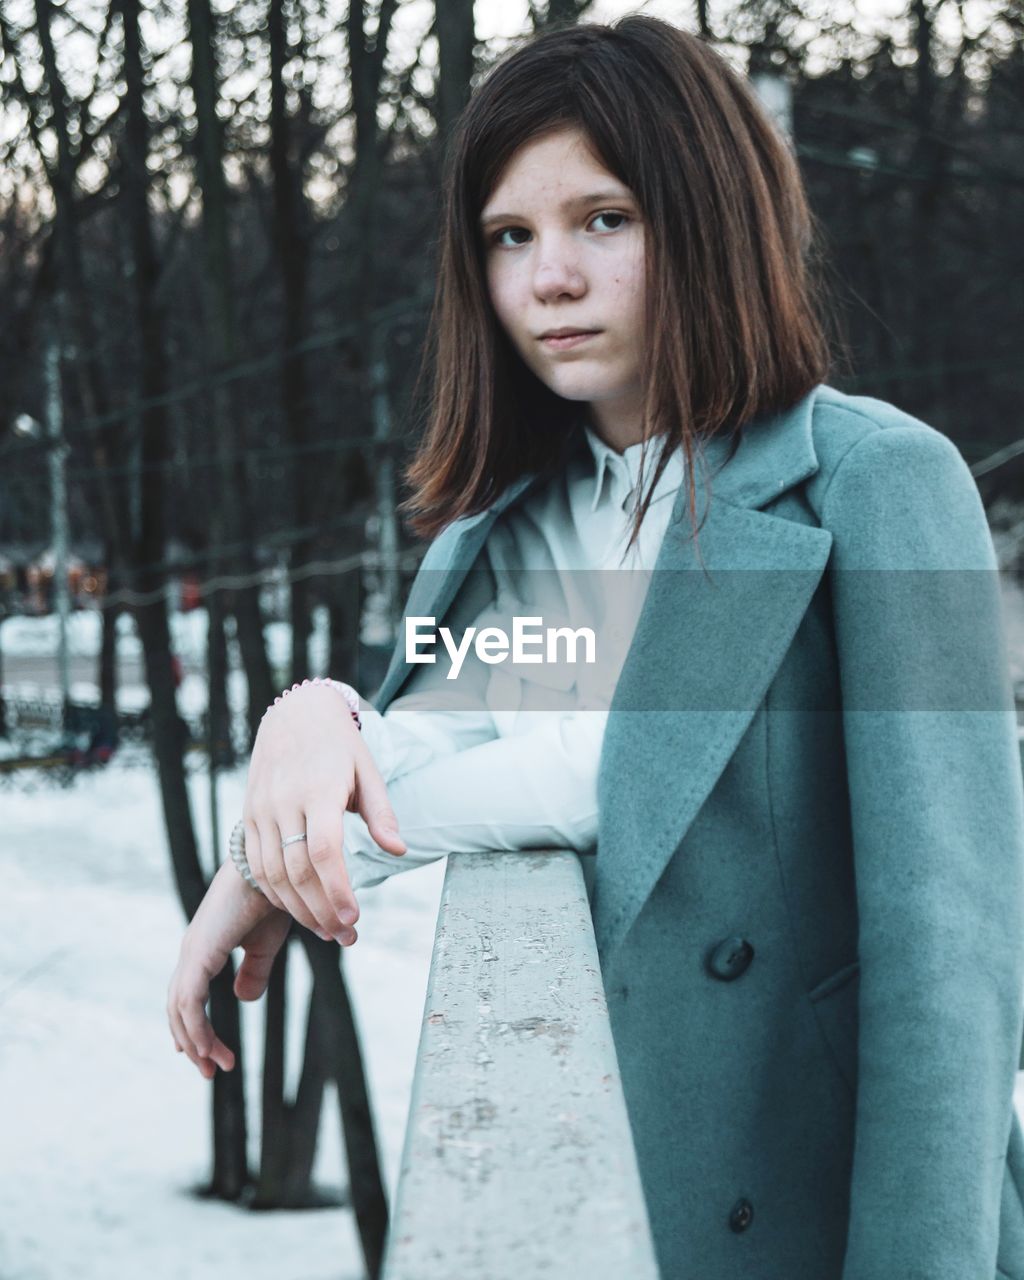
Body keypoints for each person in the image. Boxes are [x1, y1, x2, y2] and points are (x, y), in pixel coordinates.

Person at [166, 16, 1024, 1278]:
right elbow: (451, 733)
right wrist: (313, 718)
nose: (548, 278)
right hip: (627, 1186)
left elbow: (946, 967)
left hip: (826, 1208)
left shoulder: (876, 483)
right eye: (510, 235)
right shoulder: (509, 521)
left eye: (603, 219)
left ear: (707, 215)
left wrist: (287, 845)